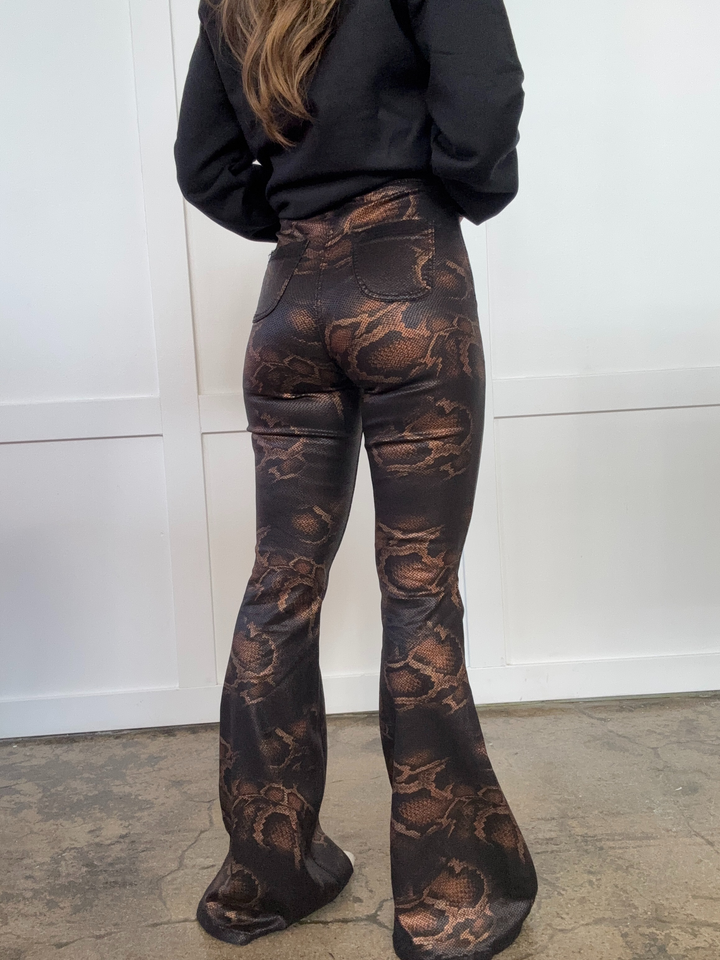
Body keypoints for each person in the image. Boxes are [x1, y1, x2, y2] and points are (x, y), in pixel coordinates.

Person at [173, 0, 538, 957]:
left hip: (289, 305)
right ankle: (450, 906)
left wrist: (301, 213)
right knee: (418, 591)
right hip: (408, 285)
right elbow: (484, 104)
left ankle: (264, 881)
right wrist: (445, 193)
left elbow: (204, 166)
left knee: (278, 588)